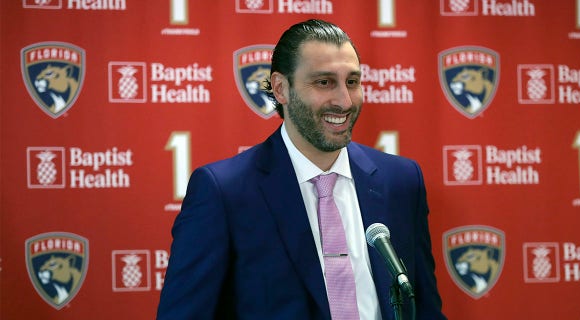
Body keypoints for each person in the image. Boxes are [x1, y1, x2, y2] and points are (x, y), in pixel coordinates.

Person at [157, 19, 446, 320]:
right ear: (281, 88)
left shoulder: (401, 181)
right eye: (324, 82)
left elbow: (423, 306)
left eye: (352, 82)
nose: (345, 101)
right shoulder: (224, 192)